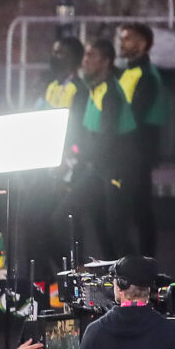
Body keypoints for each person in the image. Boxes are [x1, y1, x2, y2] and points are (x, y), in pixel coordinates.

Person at [73, 34, 134, 260]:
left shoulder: (110, 94)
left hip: (112, 171)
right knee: (103, 228)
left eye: (91, 55)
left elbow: (108, 140)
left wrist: (82, 158)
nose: (85, 60)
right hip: (99, 168)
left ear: (106, 61)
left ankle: (139, 284)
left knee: (116, 231)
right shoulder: (96, 89)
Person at [115, 22, 168, 255]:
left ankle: (146, 265)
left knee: (139, 212)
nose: (122, 42)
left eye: (128, 38)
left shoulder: (147, 76)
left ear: (143, 44)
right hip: (128, 152)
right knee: (136, 211)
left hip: (137, 153)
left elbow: (135, 116)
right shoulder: (128, 72)